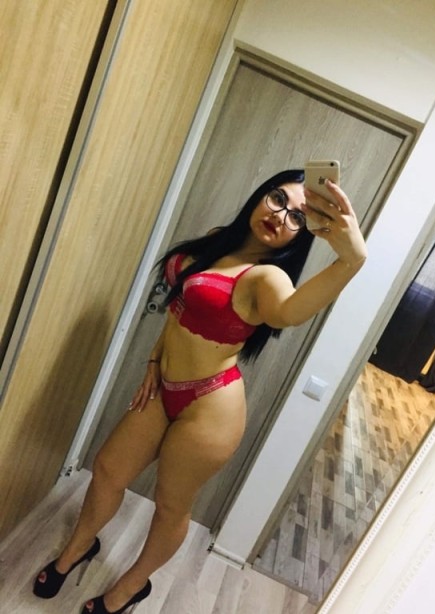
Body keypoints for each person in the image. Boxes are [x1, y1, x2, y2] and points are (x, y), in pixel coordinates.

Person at [33, 169, 367, 613]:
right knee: (109, 469)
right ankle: (79, 547)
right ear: (260, 194)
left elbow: (288, 312)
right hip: (164, 387)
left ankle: (130, 587)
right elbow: (179, 309)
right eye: (277, 199)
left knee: (170, 507)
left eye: (297, 217)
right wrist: (154, 361)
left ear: (303, 234)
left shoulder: (267, 278)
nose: (280, 215)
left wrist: (351, 261)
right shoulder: (215, 242)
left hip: (211, 407)